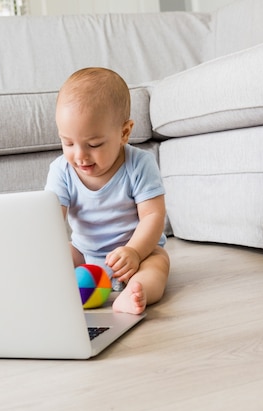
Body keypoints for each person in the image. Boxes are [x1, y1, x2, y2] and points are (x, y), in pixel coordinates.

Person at [45, 67, 170, 314]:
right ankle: (51, 290)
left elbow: (153, 216)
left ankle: (136, 292)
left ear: (124, 133)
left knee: (158, 264)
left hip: (136, 253)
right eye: (67, 143)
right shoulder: (61, 170)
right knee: (54, 260)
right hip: (84, 253)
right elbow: (49, 219)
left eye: (94, 144)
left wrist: (135, 251)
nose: (79, 155)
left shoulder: (139, 164)